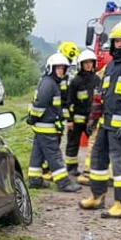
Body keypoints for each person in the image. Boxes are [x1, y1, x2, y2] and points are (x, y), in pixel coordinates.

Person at [79, 20, 121, 218]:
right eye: (116, 41)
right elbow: (101, 95)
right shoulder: (110, 67)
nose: (118, 45)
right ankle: (97, 196)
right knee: (98, 161)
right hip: (105, 125)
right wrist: (93, 118)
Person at [27, 52, 82, 192]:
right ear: (50, 68)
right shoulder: (49, 84)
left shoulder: (49, 82)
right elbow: (40, 104)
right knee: (54, 155)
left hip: (42, 127)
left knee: (37, 154)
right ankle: (64, 183)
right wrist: (32, 118)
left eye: (63, 68)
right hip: (47, 127)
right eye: (57, 68)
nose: (60, 71)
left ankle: (35, 180)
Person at [65, 48, 98, 175]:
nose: (89, 65)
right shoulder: (75, 81)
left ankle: (92, 169)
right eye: (86, 63)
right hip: (77, 118)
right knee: (73, 143)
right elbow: (69, 102)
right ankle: (72, 168)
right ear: (81, 64)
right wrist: (69, 120)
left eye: (91, 62)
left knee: (94, 144)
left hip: (92, 118)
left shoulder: (96, 80)